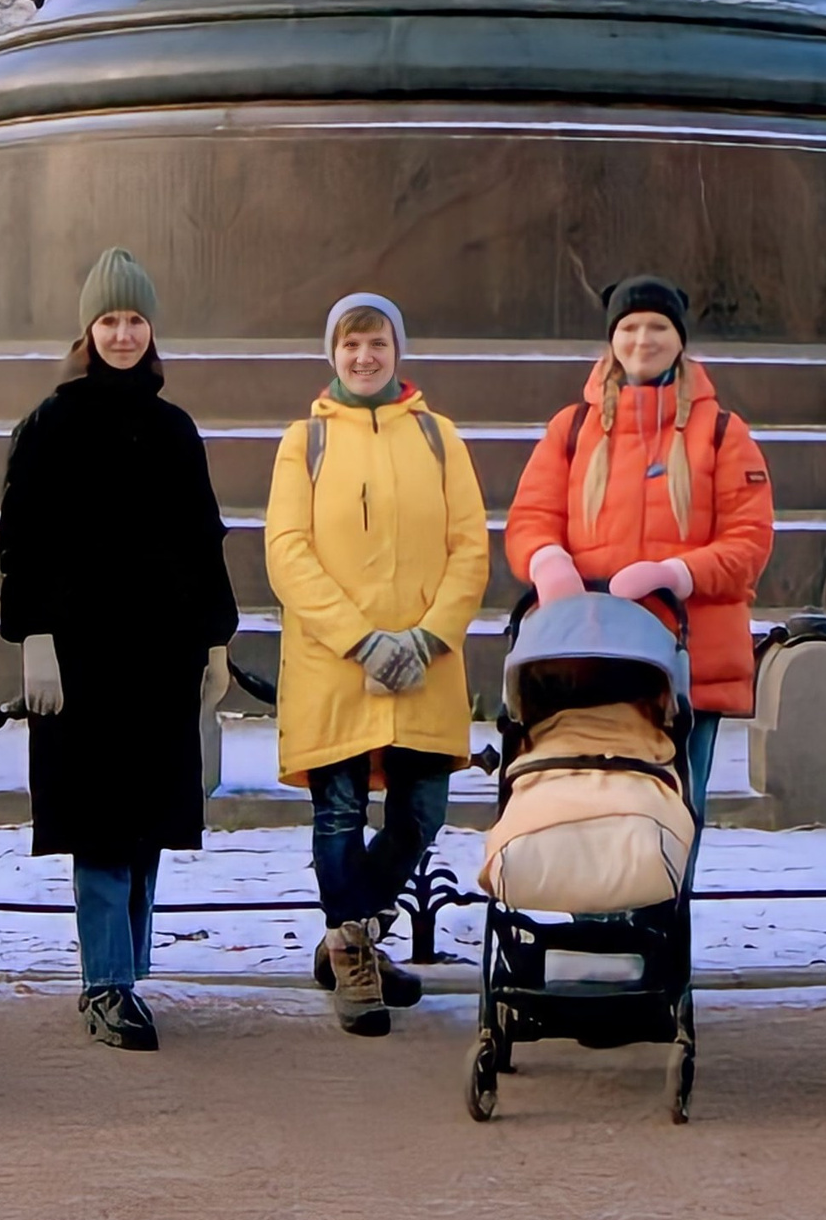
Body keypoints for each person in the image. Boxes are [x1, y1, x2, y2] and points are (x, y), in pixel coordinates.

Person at [0, 251, 239, 1052]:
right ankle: (107, 982)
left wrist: (215, 640)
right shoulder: (50, 425)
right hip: (83, 660)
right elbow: (22, 539)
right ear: (88, 330)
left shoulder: (175, 429)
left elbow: (204, 539)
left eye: (135, 320)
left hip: (162, 656)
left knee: (146, 822)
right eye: (110, 320)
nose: (124, 334)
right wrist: (33, 635)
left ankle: (126, 970)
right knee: (101, 821)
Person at [263, 293, 491, 1036]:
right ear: (333, 353)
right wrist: (361, 640)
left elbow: (470, 548)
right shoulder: (304, 441)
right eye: (351, 344)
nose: (364, 357)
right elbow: (287, 552)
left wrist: (426, 638)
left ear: (398, 351)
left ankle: (348, 931)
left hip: (426, 663)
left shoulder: (439, 437)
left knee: (421, 813)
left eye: (378, 343)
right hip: (334, 665)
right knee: (338, 811)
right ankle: (354, 953)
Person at [503, 275, 775, 823]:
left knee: (676, 811)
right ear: (612, 338)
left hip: (685, 659)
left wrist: (676, 573)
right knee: (586, 809)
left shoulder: (723, 433)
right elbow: (531, 517)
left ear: (680, 340)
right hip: (587, 655)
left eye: (657, 327)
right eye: (629, 327)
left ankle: (671, 884)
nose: (642, 340)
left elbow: (748, 541)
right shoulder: (571, 429)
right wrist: (547, 561)